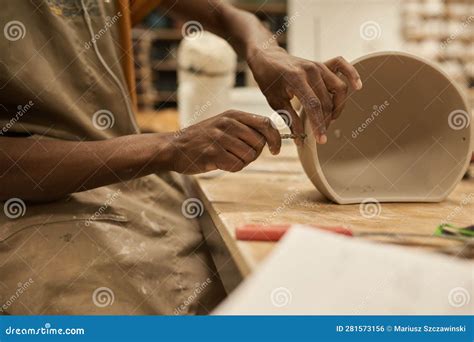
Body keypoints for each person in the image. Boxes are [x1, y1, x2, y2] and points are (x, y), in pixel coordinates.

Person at [0, 0, 362, 315]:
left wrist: (263, 49)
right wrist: (167, 147)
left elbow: (226, 15)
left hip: (137, 186)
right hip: (33, 210)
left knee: (274, 287)